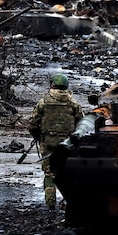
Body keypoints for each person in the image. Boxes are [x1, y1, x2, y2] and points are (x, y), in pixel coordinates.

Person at [28, 73, 84, 210]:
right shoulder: (73, 103)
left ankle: (51, 203)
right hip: (68, 144)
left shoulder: (44, 102)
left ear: (52, 84)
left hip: (48, 143)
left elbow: (33, 123)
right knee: (68, 172)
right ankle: (69, 202)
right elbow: (82, 124)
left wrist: (38, 136)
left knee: (49, 174)